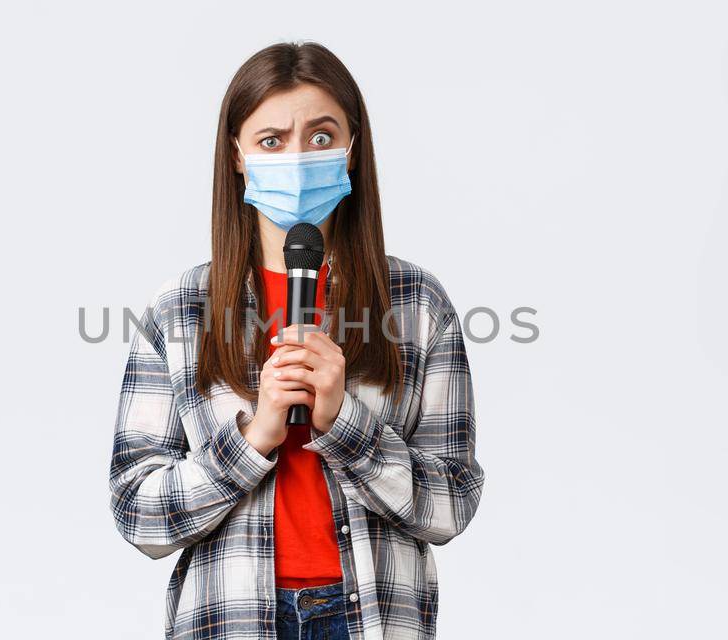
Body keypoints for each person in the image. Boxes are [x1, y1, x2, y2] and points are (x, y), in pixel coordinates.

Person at [108, 41, 485, 640]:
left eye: (319, 136)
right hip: (230, 616)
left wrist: (345, 424)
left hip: (373, 615)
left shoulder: (416, 303)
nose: (298, 157)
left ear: (352, 150)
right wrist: (254, 438)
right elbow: (138, 514)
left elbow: (452, 504)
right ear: (236, 155)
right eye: (270, 140)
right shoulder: (180, 310)